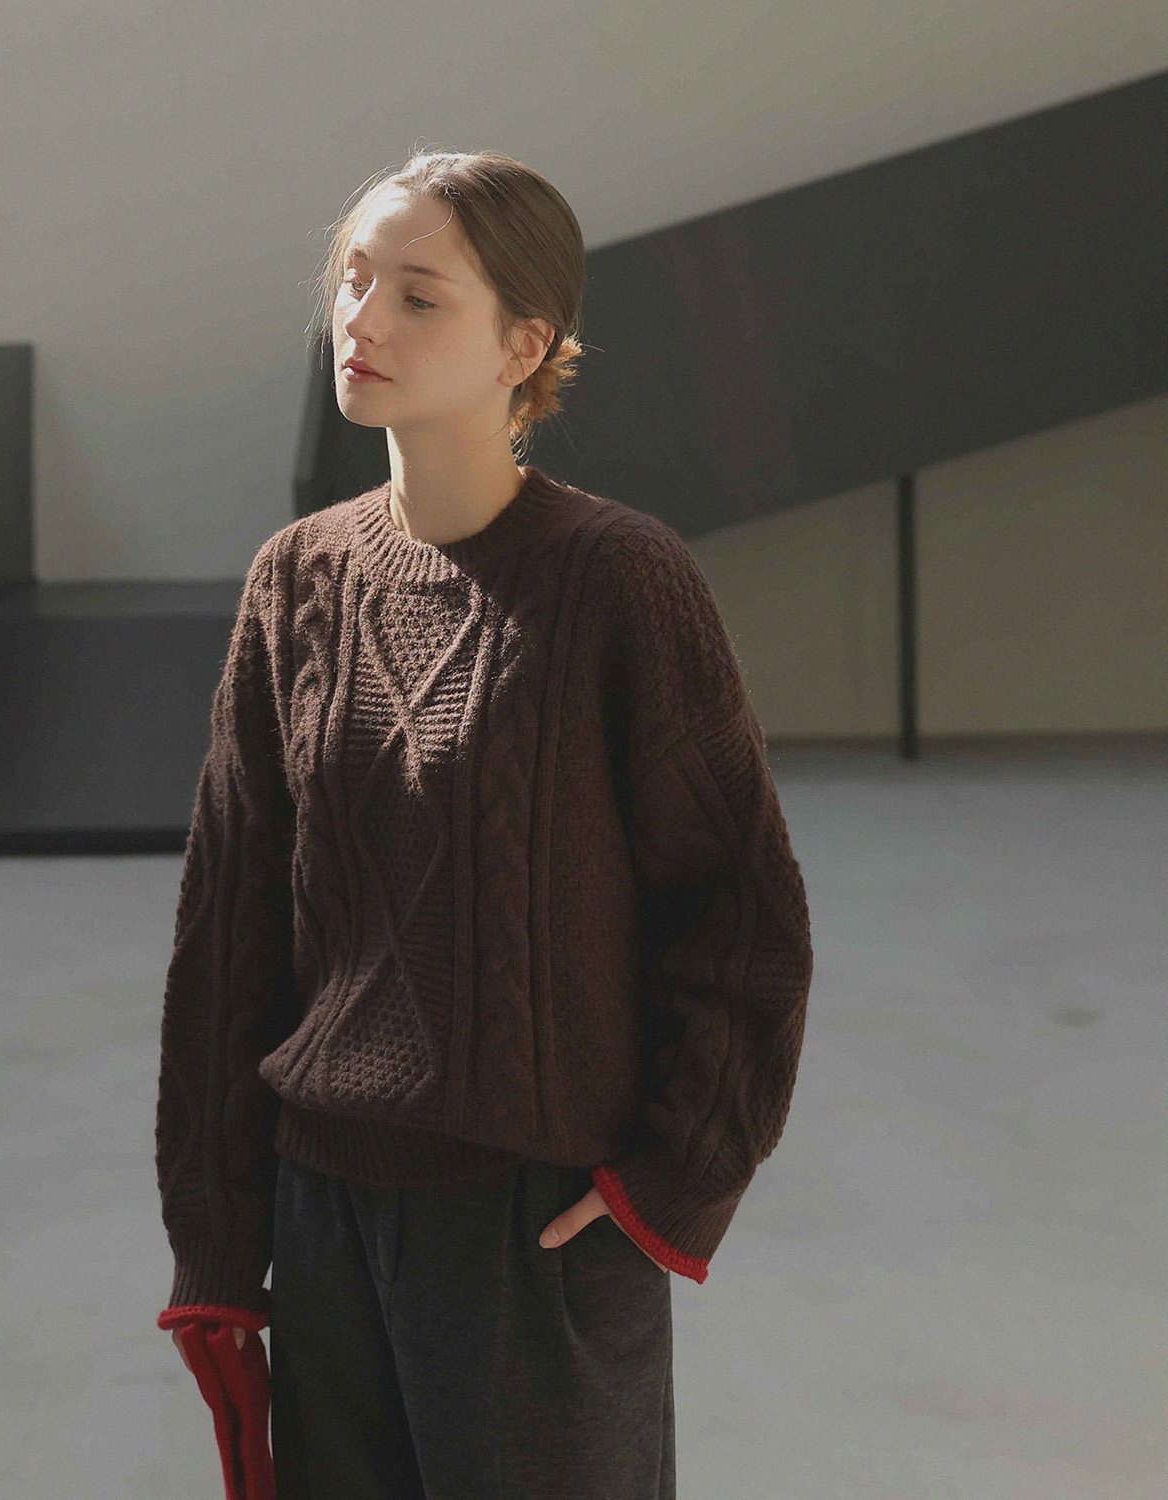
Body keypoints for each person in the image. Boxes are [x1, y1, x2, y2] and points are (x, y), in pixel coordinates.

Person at [154, 149, 815, 1499]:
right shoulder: (297, 579)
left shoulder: (620, 580)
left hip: (534, 1225)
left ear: (524, 345)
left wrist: (668, 1184)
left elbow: (741, 913)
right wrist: (219, 1241)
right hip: (322, 1212)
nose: (363, 318)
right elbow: (228, 934)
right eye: (352, 280)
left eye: (418, 295)